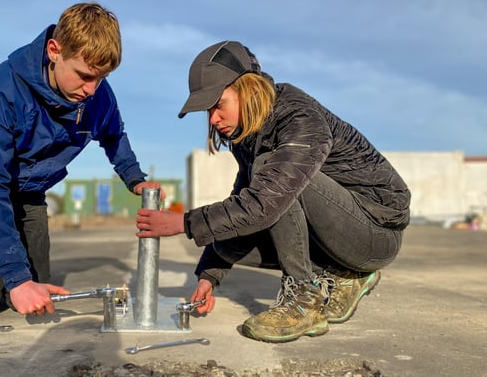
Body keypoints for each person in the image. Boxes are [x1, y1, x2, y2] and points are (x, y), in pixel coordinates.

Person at [136, 40, 410, 343]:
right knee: (227, 241)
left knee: (273, 181)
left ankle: (304, 299)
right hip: (339, 236)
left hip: (375, 233)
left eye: (218, 104)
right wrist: (209, 275)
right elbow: (241, 204)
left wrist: (183, 223)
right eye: (208, 111)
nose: (212, 119)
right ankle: (345, 274)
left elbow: (266, 202)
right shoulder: (250, 135)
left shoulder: (300, 118)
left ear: (248, 89)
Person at [0, 2, 162, 318]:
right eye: (84, 76)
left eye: (101, 78)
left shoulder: (98, 94)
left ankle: (8, 274)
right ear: (55, 50)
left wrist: (134, 177)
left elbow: (113, 133)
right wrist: (16, 278)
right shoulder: (0, 88)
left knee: (39, 287)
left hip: (28, 189)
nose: (91, 89)